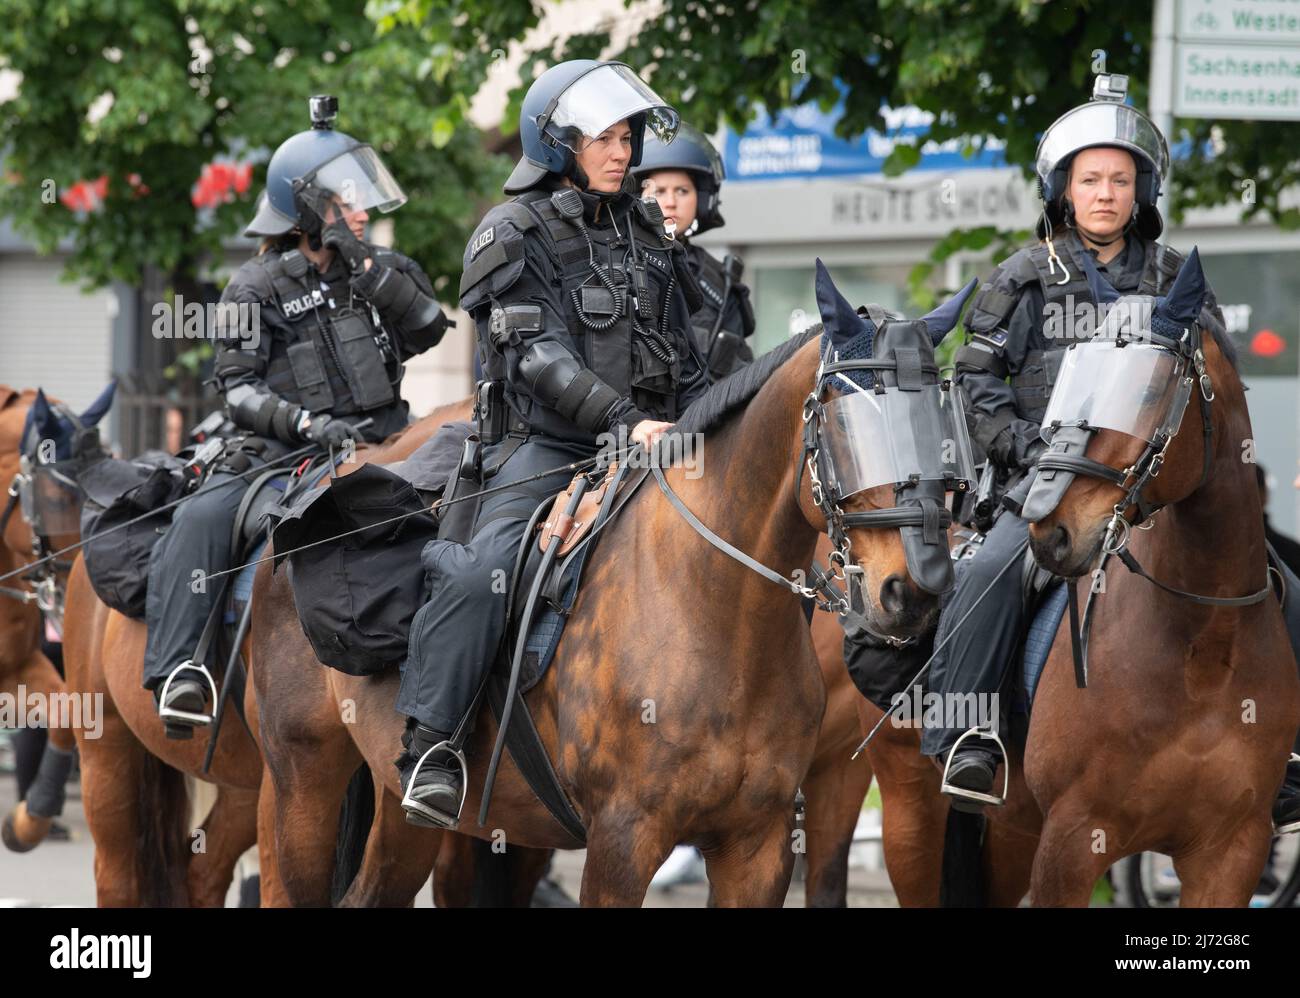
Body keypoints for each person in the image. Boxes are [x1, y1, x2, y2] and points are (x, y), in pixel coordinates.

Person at [395, 60, 708, 828]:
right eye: (602, 136)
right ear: (555, 141)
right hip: (544, 448)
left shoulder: (646, 231)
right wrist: (620, 420)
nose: (622, 151)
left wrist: (715, 423)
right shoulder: (511, 231)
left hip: (655, 446)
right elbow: (538, 358)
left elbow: (687, 356)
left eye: (627, 135)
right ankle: (430, 744)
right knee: (483, 575)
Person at [912, 74, 1223, 802]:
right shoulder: (1019, 279)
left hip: (1156, 489)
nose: (1106, 193)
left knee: (1274, 578)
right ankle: (967, 734)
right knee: (990, 569)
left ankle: (1284, 752)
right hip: (1043, 482)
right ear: (1063, 189)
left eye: (1120, 179)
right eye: (1091, 179)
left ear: (1142, 191)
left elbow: (1213, 386)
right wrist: (1030, 448)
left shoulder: (1180, 283)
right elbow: (975, 386)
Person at [143, 95, 449, 734]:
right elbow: (237, 389)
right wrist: (309, 425)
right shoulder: (253, 287)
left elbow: (426, 328)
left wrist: (362, 265)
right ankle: (179, 671)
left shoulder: (379, 270)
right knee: (202, 514)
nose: (361, 211)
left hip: (386, 436)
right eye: (345, 200)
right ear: (306, 208)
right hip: (285, 452)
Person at [631, 122, 756, 380]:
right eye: (659, 191)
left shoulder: (720, 280)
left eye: (682, 191)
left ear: (702, 199)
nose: (670, 202)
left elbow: (741, 373)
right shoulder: (615, 260)